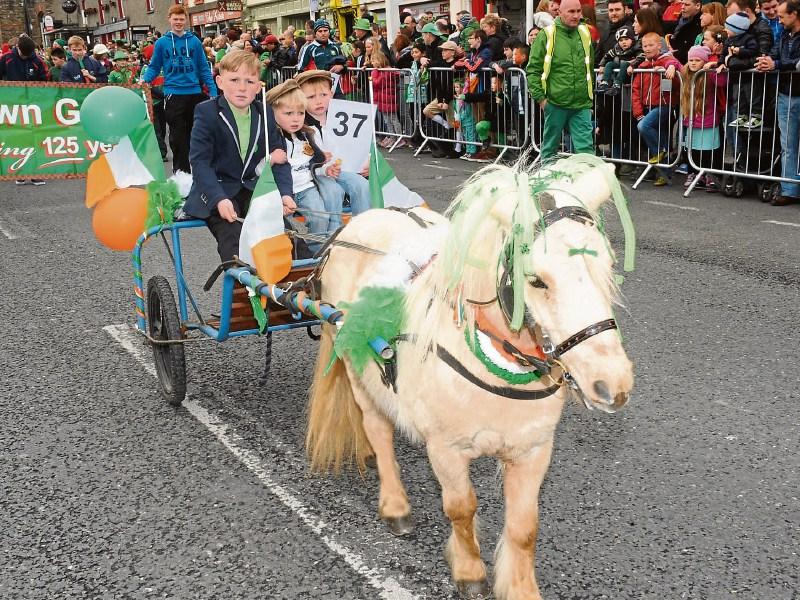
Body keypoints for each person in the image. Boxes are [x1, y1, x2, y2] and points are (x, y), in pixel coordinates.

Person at [184, 51, 292, 263]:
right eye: (234, 80)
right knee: (234, 240)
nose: (242, 88)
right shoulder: (206, 112)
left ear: (258, 86)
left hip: (252, 189)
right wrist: (219, 199)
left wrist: (285, 194)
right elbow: (200, 162)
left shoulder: (265, 113)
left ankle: (289, 290)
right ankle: (243, 292)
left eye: (249, 81)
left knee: (284, 236)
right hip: (218, 191)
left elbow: (279, 158)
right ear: (220, 82)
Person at [265, 79, 345, 251]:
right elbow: (259, 169)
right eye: (288, 113)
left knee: (320, 218)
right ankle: (298, 255)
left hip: (306, 187)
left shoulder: (306, 135)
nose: (295, 119)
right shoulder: (270, 139)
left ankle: (314, 254)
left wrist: (326, 168)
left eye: (300, 113)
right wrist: (270, 159)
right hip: (280, 192)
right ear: (272, 113)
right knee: (278, 227)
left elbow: (313, 164)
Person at [142, 5, 217, 174]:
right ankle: (181, 173)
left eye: (182, 19)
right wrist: (145, 80)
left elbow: (203, 67)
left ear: (186, 20)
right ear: (169, 19)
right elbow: (154, 66)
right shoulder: (161, 43)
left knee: (195, 135)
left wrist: (212, 90)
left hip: (194, 93)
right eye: (175, 19)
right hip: (173, 94)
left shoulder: (195, 41)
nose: (178, 22)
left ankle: (198, 171)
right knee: (177, 137)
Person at [297, 69, 373, 215]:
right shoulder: (300, 124)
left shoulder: (344, 117)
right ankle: (333, 232)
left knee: (362, 186)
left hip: (342, 169)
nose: (318, 101)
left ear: (331, 94)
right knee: (334, 192)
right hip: (315, 173)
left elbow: (358, 143)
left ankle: (363, 226)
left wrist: (367, 160)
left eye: (323, 95)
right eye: (311, 97)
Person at [526, 0, 595, 159]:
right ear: (560, 12)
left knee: (586, 150)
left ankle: (588, 181)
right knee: (550, 148)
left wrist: (590, 96)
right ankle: (547, 179)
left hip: (581, 102)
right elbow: (533, 69)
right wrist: (541, 98)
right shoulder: (547, 34)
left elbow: (589, 66)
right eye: (571, 11)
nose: (576, 15)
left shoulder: (584, 32)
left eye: (578, 11)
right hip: (555, 101)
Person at [755, 0, 800, 205]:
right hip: (785, 93)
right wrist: (766, 62)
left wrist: (777, 64)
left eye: (782, 16)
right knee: (787, 144)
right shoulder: (783, 34)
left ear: (795, 14)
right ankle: (789, 189)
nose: (779, 20)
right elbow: (774, 53)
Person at [631, 31, 682, 186]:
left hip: (665, 106)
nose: (647, 48)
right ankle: (663, 174)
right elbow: (636, 90)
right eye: (644, 45)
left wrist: (671, 67)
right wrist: (638, 113)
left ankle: (661, 152)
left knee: (643, 126)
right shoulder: (642, 66)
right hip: (648, 107)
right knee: (662, 137)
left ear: (659, 46)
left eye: (651, 45)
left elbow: (672, 63)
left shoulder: (666, 60)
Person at [0, 35, 48, 185]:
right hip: (13, 104)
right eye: (22, 53)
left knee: (34, 137)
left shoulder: (37, 61)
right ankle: (20, 172)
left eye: (28, 54)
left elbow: (45, 80)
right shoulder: (6, 58)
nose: (25, 56)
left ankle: (34, 172)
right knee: (17, 138)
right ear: (17, 48)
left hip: (32, 105)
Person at [679, 45, 726, 189]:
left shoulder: (709, 73)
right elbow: (672, 62)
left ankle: (710, 175)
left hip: (708, 120)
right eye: (691, 60)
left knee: (709, 150)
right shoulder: (685, 74)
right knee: (691, 150)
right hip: (691, 121)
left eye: (697, 60)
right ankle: (693, 173)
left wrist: (715, 64)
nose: (693, 63)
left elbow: (722, 82)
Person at [596, 25, 644, 95]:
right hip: (620, 68)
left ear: (632, 39)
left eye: (626, 39)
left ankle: (617, 85)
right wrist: (602, 65)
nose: (624, 42)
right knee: (609, 64)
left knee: (624, 63)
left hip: (630, 73)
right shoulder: (617, 48)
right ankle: (605, 83)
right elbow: (607, 55)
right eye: (621, 40)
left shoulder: (636, 47)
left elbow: (641, 57)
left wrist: (632, 65)